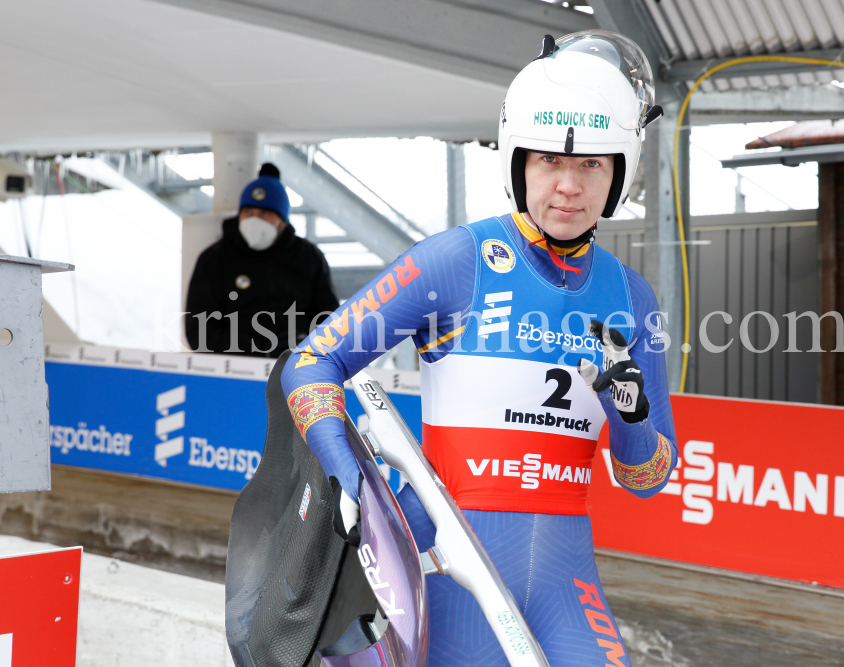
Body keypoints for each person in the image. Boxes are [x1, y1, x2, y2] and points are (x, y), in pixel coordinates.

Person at [282, 30, 677, 666]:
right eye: (549, 161)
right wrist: (343, 469)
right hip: (446, 567)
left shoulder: (633, 299)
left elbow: (648, 478)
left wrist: (632, 422)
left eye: (591, 164)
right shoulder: (458, 260)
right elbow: (310, 363)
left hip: (564, 583)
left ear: (619, 174)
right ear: (517, 164)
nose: (569, 186)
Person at [185, 163, 339, 358]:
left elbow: (329, 324)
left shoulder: (308, 258)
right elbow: (199, 331)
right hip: (232, 373)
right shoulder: (215, 259)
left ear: (282, 220)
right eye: (248, 212)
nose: (254, 220)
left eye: (265, 214)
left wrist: (298, 349)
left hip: (295, 370)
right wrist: (256, 349)